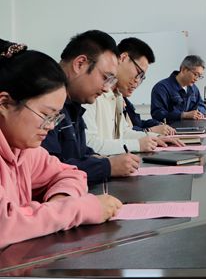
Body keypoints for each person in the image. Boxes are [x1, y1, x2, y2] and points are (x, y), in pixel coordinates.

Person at [0, 39, 121, 249]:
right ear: (4, 103)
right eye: (46, 115)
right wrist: (76, 209)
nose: (50, 126)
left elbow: (71, 173)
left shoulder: (23, 150)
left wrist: (61, 202)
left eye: (55, 117)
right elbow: (5, 225)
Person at [42, 30, 141, 186]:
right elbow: (45, 171)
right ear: (80, 64)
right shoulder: (42, 99)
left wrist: (99, 158)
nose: (106, 89)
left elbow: (79, 152)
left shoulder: (74, 103)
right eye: (105, 78)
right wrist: (107, 166)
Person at [82, 38, 181, 155]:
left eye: (142, 77)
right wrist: (138, 144)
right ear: (123, 58)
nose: (137, 81)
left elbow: (124, 133)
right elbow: (89, 144)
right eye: (138, 73)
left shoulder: (117, 96)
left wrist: (156, 137)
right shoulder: (92, 93)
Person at [151, 55, 206, 124]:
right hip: (170, 129)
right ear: (184, 70)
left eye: (199, 76)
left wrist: (198, 112)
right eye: (195, 74)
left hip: (190, 127)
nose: (196, 79)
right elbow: (157, 114)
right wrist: (182, 115)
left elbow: (201, 105)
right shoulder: (161, 88)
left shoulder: (193, 88)